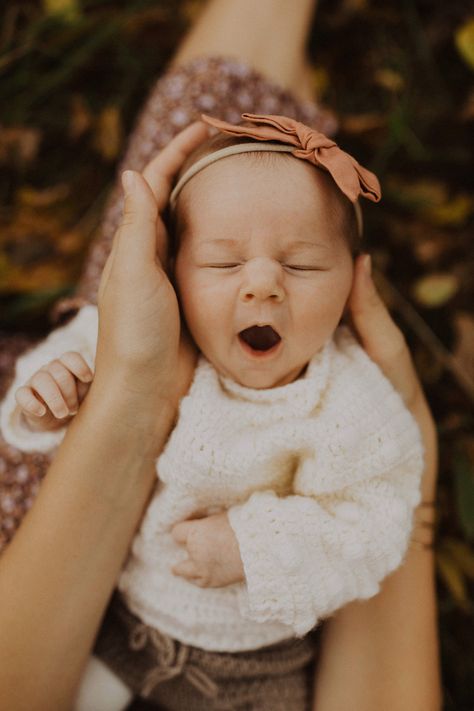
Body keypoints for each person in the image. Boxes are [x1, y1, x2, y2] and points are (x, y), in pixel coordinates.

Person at [0, 1, 441, 709]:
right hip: (111, 619)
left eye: (301, 266)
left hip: (245, 675)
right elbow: (44, 390)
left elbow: (374, 523)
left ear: (352, 283)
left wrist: (256, 548)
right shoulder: (167, 331)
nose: (262, 283)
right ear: (174, 273)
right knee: (213, 140)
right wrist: (54, 396)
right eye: (220, 263)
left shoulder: (348, 403)